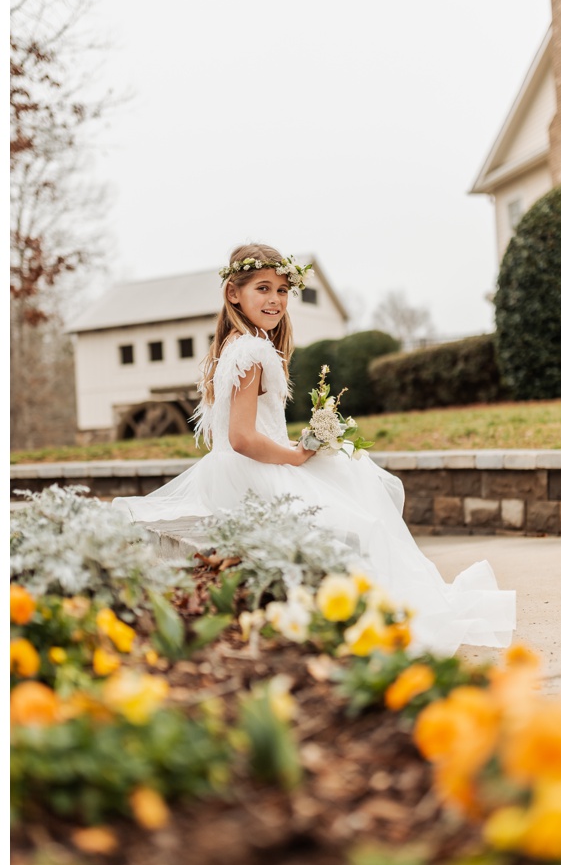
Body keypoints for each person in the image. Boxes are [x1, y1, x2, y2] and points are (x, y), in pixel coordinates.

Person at [114, 244, 514, 654]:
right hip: (251, 471)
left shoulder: (235, 345)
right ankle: (376, 615)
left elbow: (247, 433)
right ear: (234, 293)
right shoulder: (251, 351)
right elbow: (241, 438)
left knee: (349, 478)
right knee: (362, 510)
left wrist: (297, 445)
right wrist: (298, 456)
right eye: (263, 288)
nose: (275, 300)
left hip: (236, 469)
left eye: (283, 290)